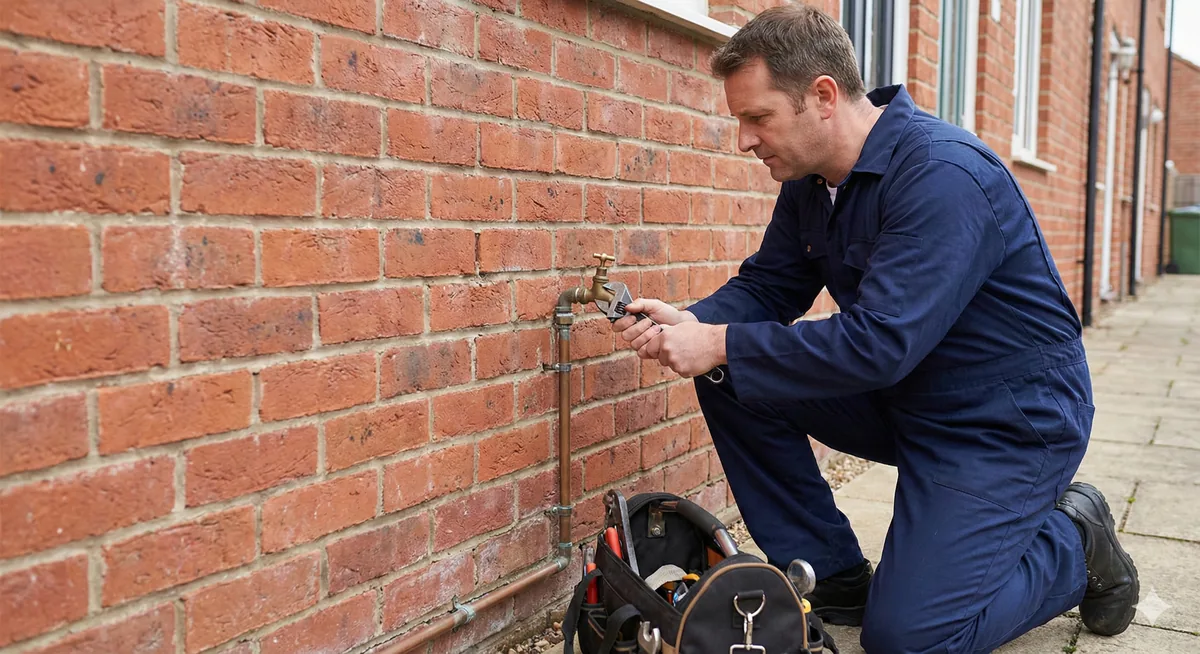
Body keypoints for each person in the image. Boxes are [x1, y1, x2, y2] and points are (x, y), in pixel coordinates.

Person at [611, 5, 1139, 653]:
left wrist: (717, 340)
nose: (745, 139)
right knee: (730, 370)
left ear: (823, 96)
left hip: (1005, 427)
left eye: (757, 117)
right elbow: (771, 287)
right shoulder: (814, 181)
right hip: (909, 399)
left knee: (909, 640)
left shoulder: (944, 177)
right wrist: (695, 326)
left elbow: (880, 343)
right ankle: (832, 576)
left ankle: (1073, 540)